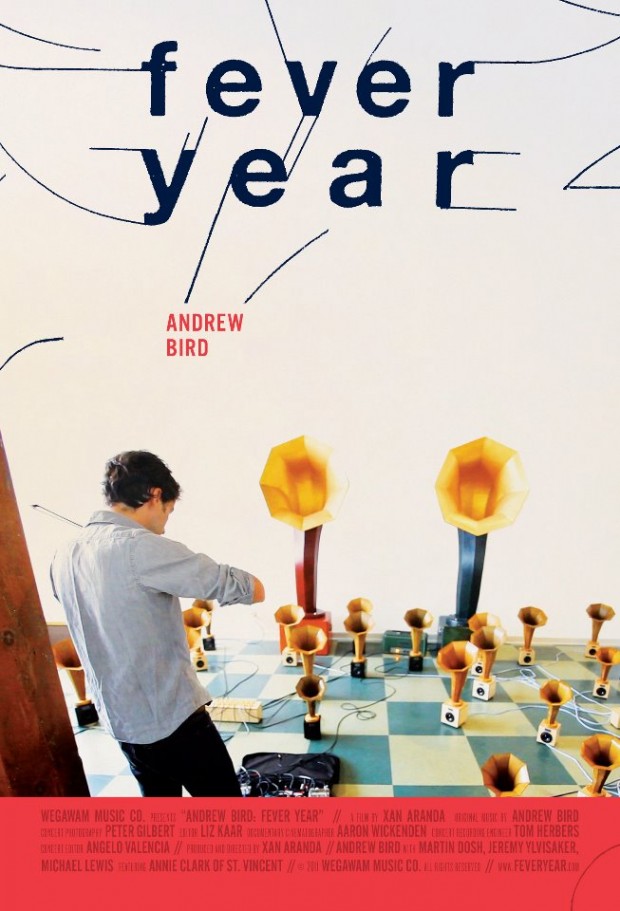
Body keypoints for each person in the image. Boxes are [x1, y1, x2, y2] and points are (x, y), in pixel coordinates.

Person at [51, 450, 265, 797]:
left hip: (121, 721)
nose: (166, 522)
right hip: (172, 718)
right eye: (168, 509)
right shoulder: (142, 547)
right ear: (154, 495)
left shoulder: (64, 554)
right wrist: (252, 586)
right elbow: (249, 588)